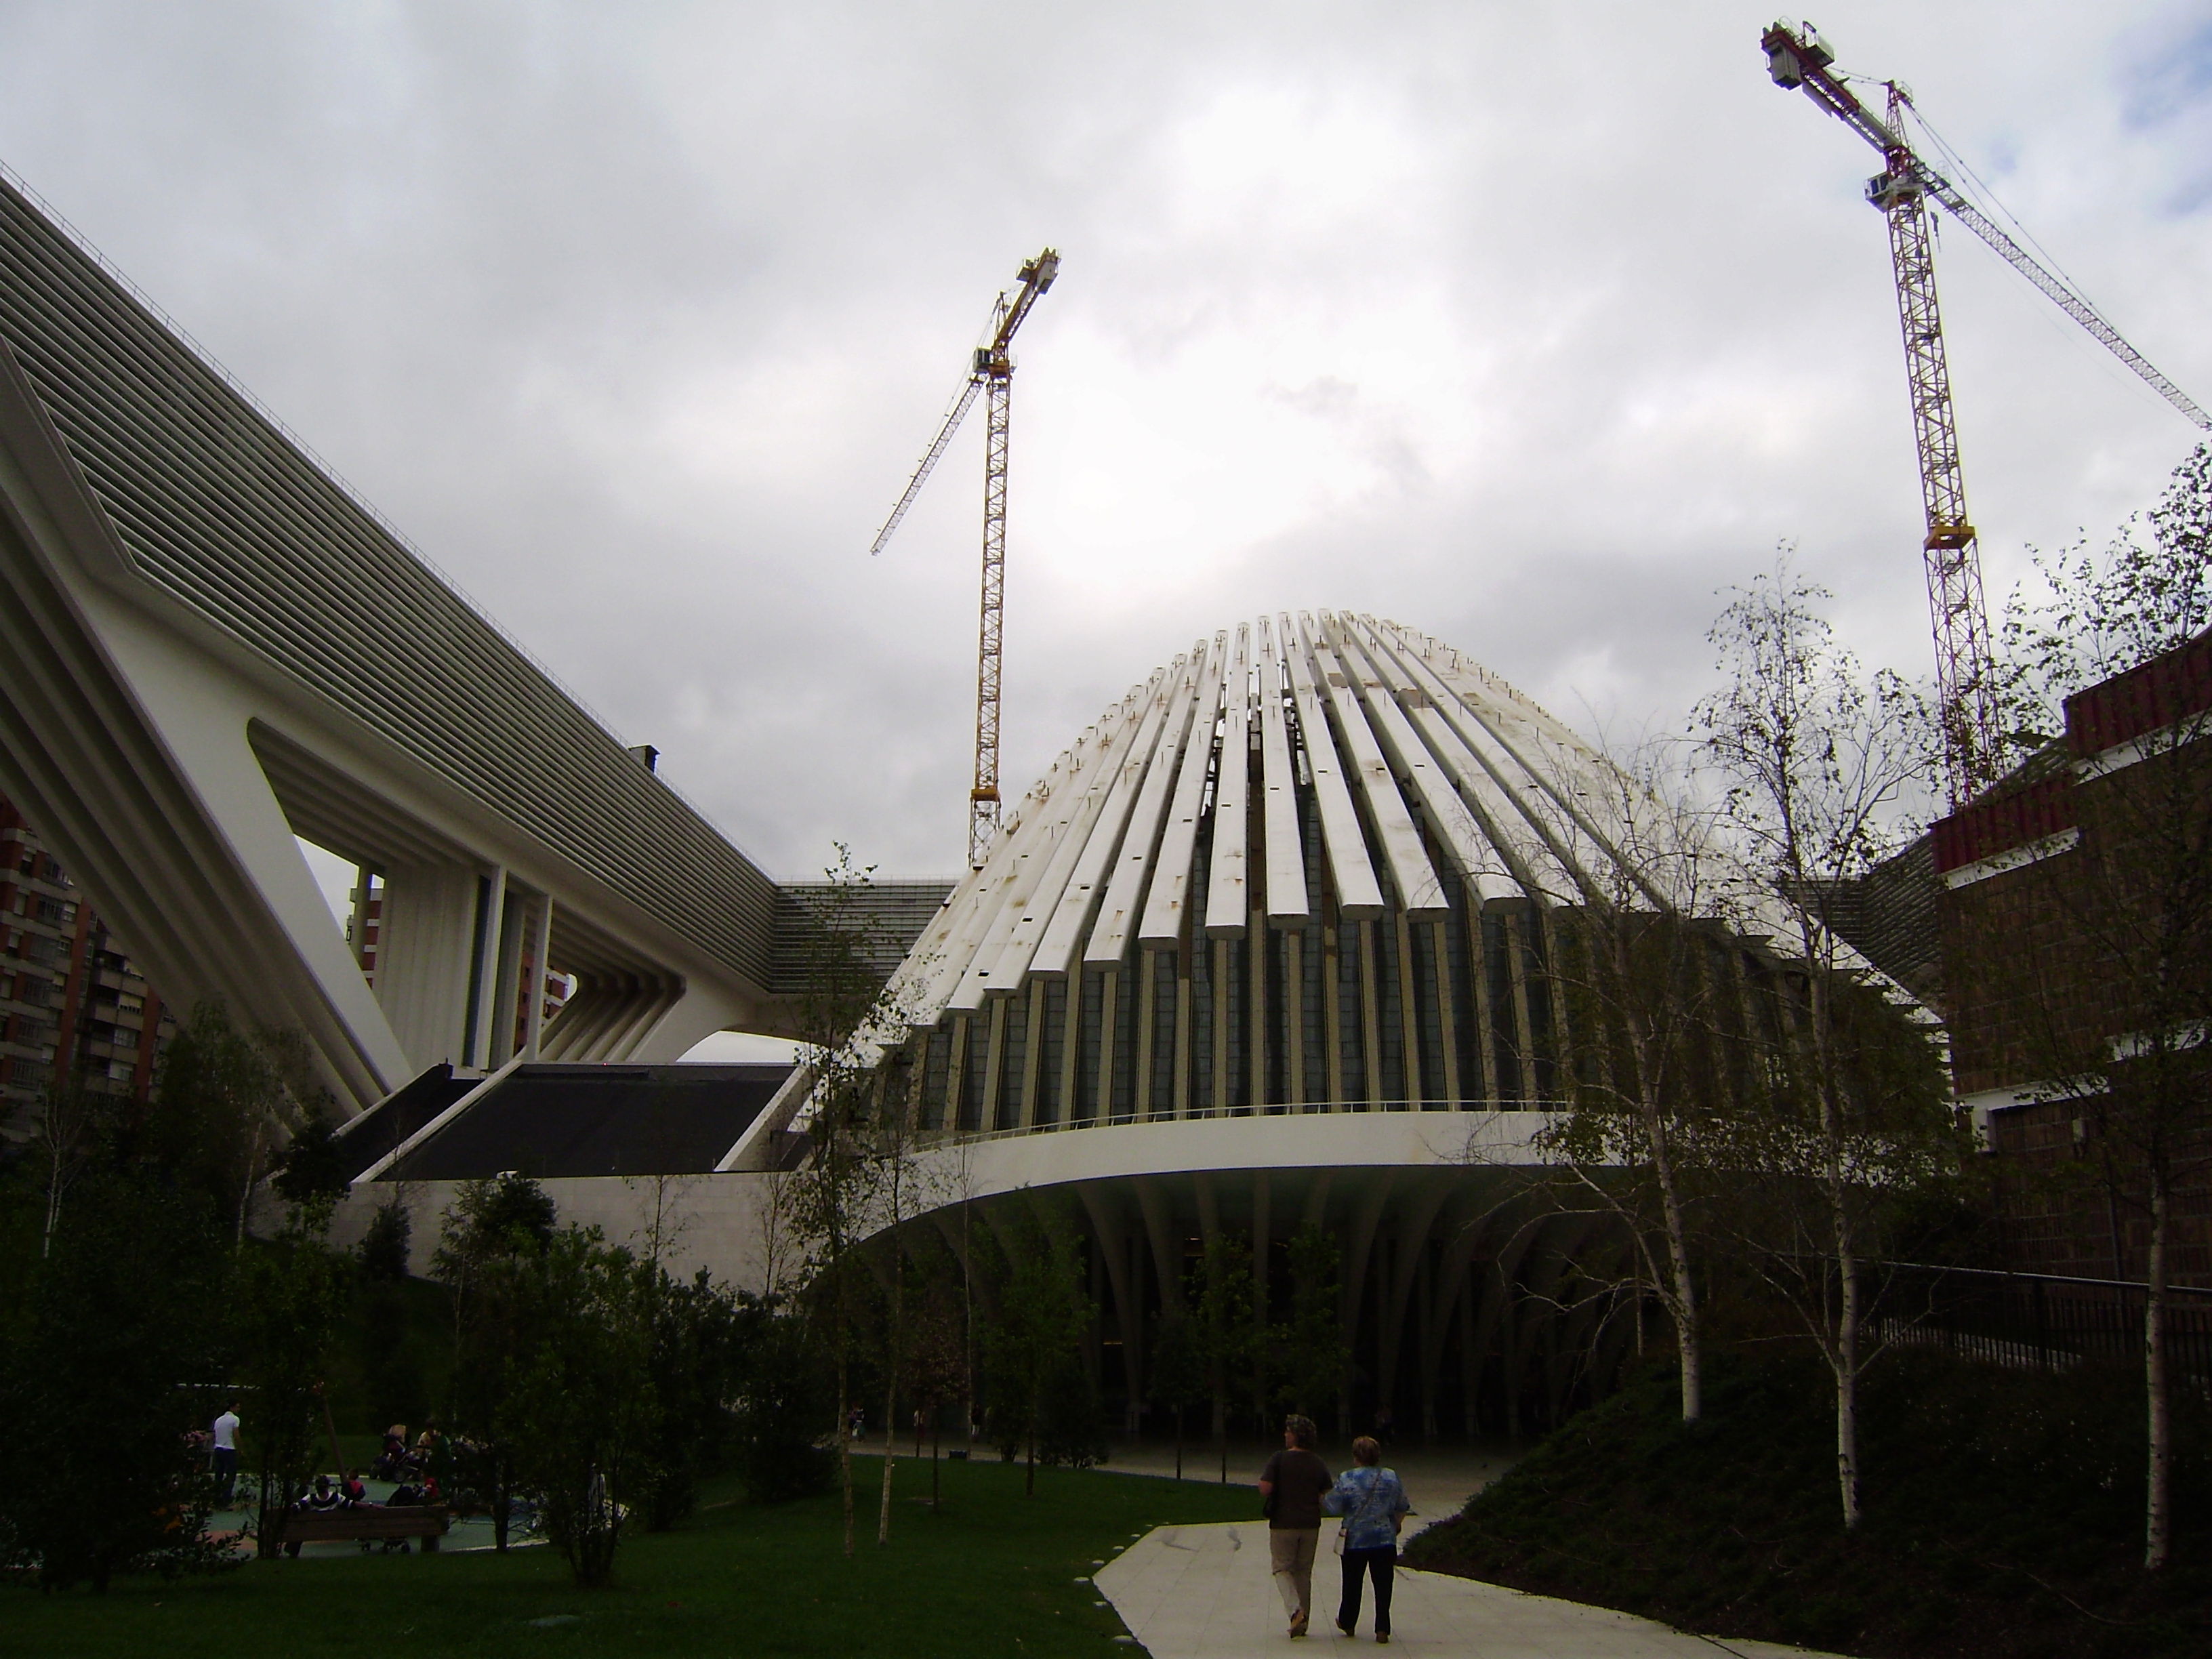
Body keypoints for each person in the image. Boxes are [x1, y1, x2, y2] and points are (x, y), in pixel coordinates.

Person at [1326, 1435, 1411, 1644]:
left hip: (1355, 1539)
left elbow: (1333, 1506)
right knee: (1383, 1585)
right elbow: (1402, 1505)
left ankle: (1348, 1620)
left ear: (1356, 1456)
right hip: (1384, 1538)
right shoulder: (1390, 1477)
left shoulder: (1347, 1478)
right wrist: (1396, 1524)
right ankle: (1382, 1627)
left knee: (1352, 1583)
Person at [1257, 1414, 1334, 1638]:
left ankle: (1295, 1611)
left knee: (1281, 1568)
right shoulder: (1318, 1462)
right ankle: (1304, 1622)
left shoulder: (1278, 1459)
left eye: (1288, 1431)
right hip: (1311, 1524)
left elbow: (1265, 1488)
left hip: (1283, 1523)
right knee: (1303, 1572)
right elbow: (1326, 1495)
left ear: (1295, 1436)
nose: (1285, 1435)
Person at [209, 1399, 241, 1505]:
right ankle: (226, 1498)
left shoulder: (219, 1420)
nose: (238, 1409)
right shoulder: (235, 1420)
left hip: (218, 1448)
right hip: (229, 1449)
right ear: (232, 1408)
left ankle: (216, 1497)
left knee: (219, 1474)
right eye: (237, 1407)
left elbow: (214, 1434)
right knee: (231, 1474)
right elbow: (236, 1434)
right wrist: (240, 1448)